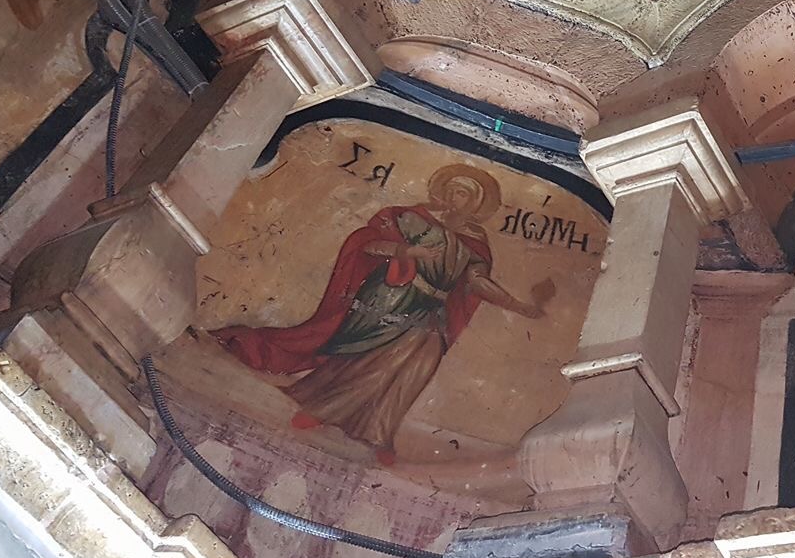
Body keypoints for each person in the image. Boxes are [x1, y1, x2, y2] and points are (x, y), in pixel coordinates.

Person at [212, 163, 554, 455]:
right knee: (373, 355)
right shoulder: (411, 217)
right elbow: (367, 243)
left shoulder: (475, 241)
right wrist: (406, 252)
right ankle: (321, 408)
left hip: (431, 310)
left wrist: (520, 307)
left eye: (463, 194)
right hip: (391, 295)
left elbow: (477, 281)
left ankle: (378, 431)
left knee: (423, 361)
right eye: (451, 191)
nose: (455, 198)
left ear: (475, 203)